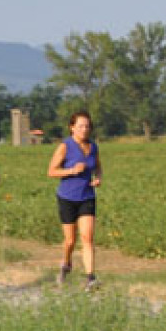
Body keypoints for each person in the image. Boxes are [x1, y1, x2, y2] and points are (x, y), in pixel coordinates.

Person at [46, 111, 103, 289]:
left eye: (87, 126)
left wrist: (98, 177)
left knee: (87, 237)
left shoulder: (93, 147)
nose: (84, 129)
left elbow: (98, 166)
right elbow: (51, 171)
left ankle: (90, 278)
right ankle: (66, 263)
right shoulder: (65, 146)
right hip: (67, 197)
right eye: (80, 126)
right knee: (70, 241)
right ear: (72, 128)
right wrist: (72, 170)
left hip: (87, 196)